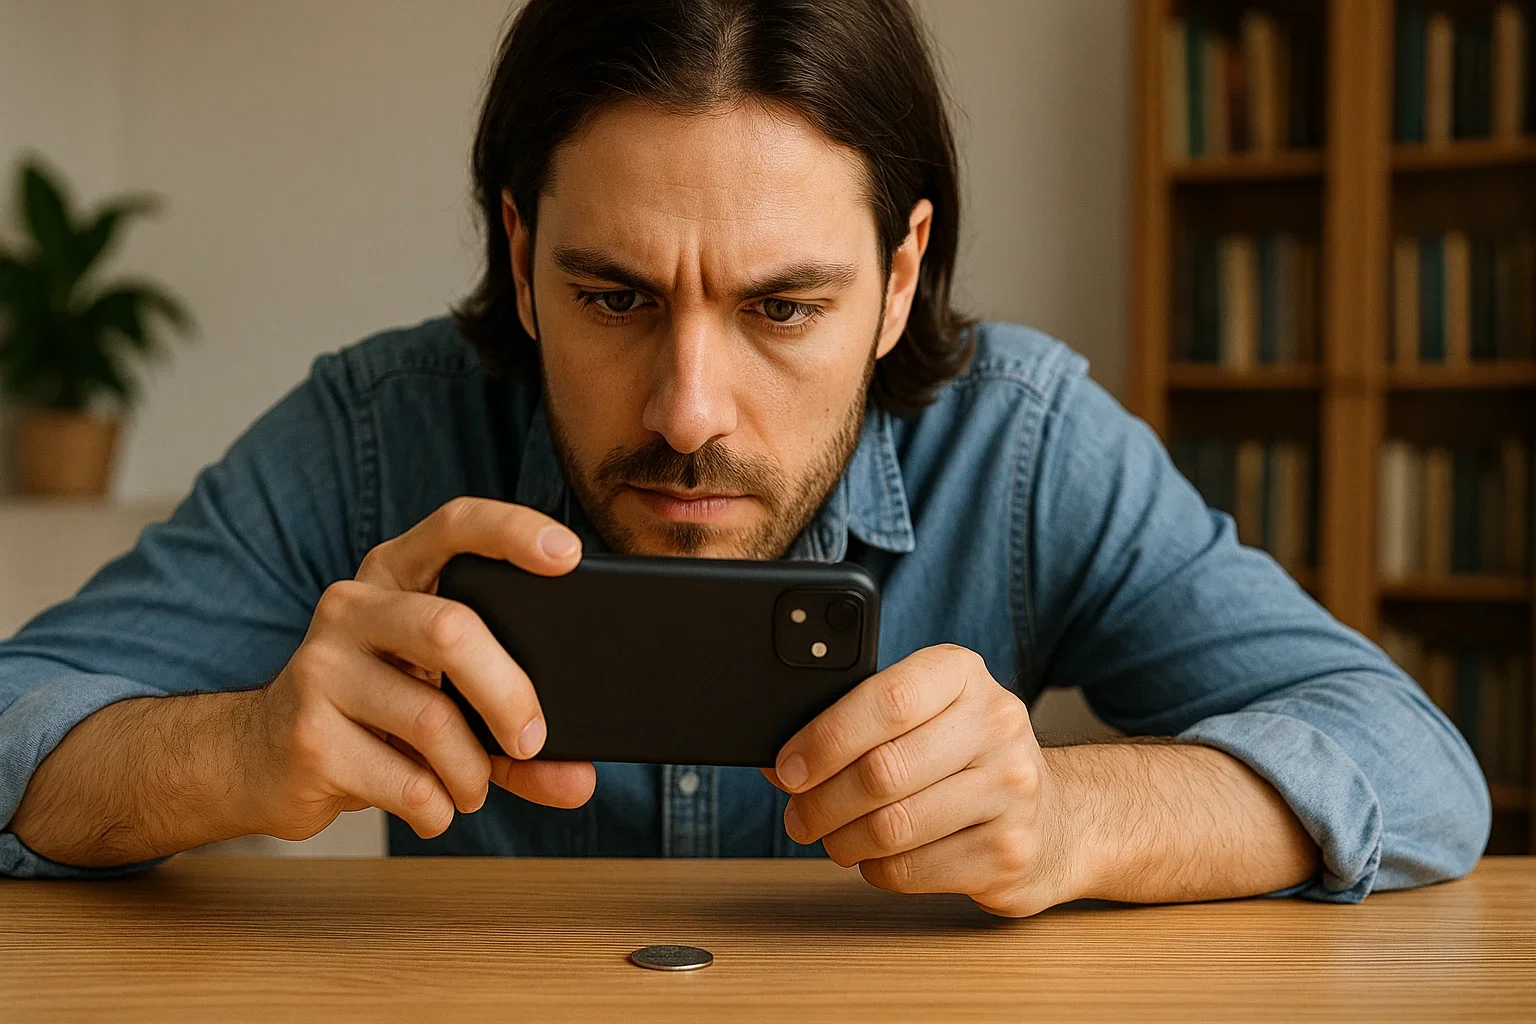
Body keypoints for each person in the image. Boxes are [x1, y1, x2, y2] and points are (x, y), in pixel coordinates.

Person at [0, 0, 1488, 916]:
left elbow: (1417, 769)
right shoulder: (381, 430)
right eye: (613, 298)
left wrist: (1071, 817)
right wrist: (241, 751)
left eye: (783, 307)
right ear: (520, 256)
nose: (691, 410)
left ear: (903, 274)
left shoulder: (1023, 442)